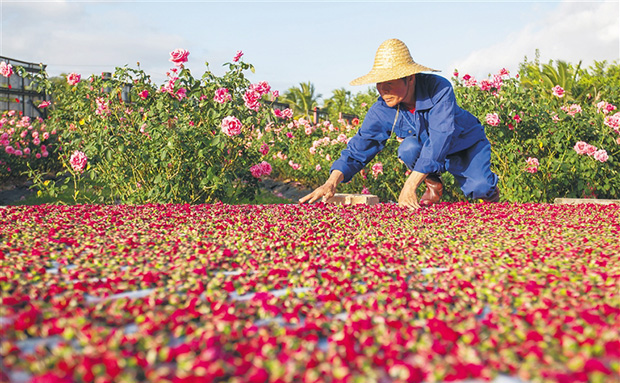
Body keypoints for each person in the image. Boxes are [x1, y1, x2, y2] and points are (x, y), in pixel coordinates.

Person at [299, 38, 500, 209]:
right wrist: (331, 182)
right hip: (428, 154)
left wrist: (410, 185)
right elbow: (360, 146)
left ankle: (491, 197)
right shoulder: (382, 109)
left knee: (481, 187)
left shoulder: (439, 89)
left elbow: (441, 137)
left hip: (465, 145)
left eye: (389, 82)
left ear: (410, 78)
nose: (382, 89)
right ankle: (432, 181)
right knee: (408, 149)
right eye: (379, 83)